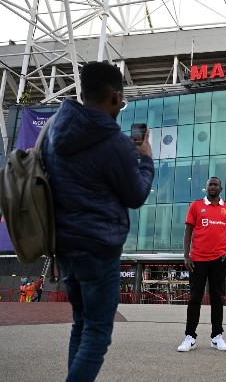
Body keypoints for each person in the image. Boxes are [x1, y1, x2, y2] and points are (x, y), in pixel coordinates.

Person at [41, 61, 154, 382]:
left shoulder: (55, 131)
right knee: (98, 332)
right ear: (116, 98)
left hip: (64, 246)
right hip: (98, 247)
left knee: (81, 323)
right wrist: (145, 160)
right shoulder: (114, 141)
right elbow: (135, 196)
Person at [177, 177, 226, 352]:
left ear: (221, 188)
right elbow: (188, 232)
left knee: (217, 298)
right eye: (210, 184)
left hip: (218, 260)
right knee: (195, 298)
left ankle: (216, 336)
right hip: (197, 260)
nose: (212, 187)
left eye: (215, 185)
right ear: (206, 188)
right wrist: (186, 256)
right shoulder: (196, 206)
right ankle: (190, 337)